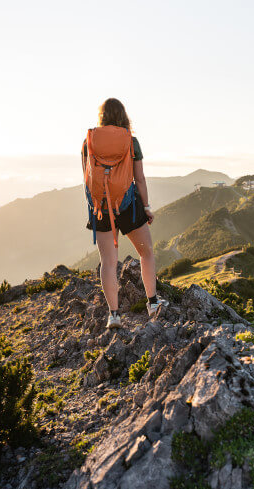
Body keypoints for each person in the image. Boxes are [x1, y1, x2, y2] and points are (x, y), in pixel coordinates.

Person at [82, 98, 168, 328]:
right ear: (123, 116)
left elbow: (87, 177)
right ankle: (152, 302)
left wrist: (94, 208)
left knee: (108, 262)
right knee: (146, 253)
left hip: (101, 208)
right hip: (128, 206)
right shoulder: (131, 142)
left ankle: (114, 315)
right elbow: (139, 178)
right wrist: (147, 207)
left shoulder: (88, 141)